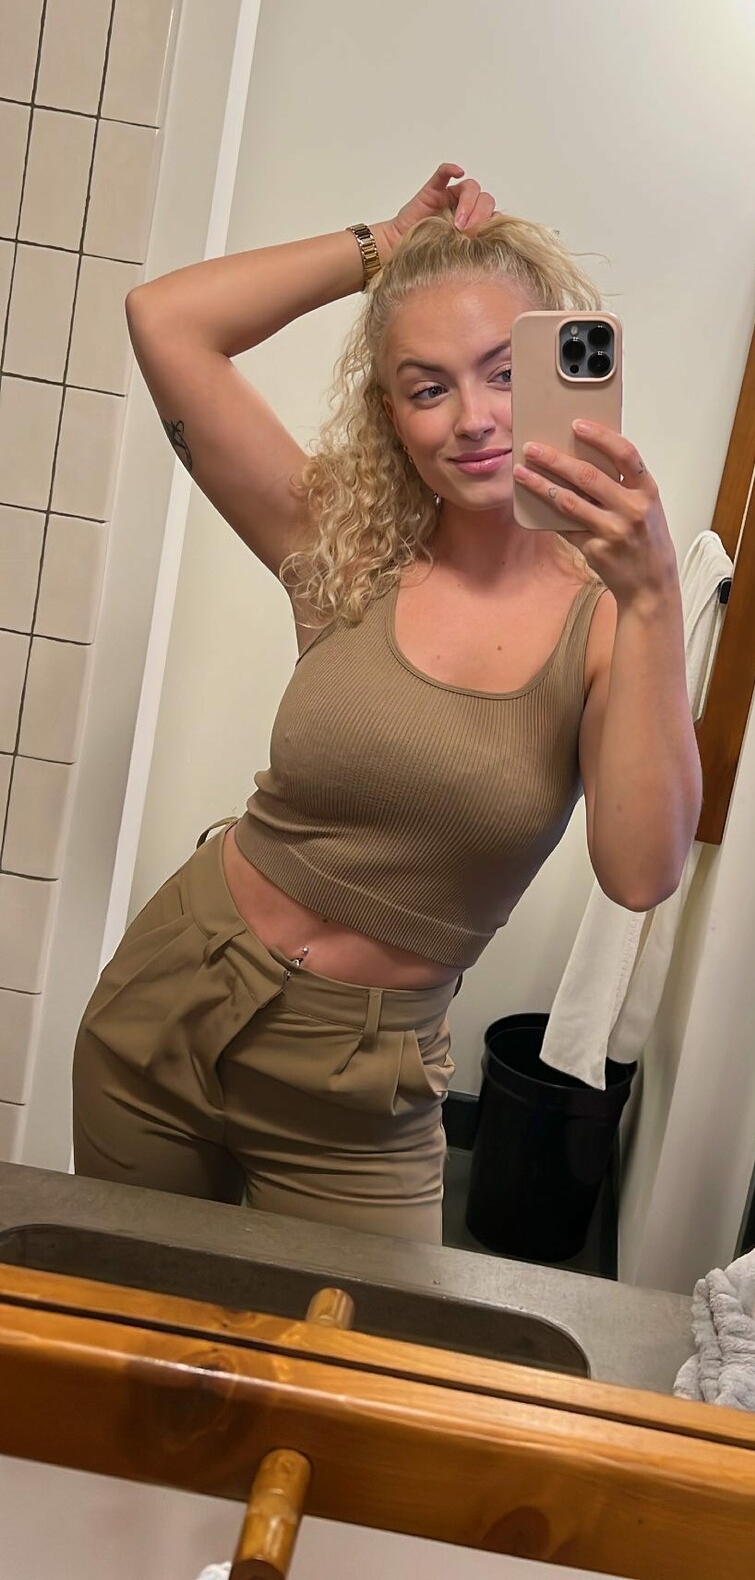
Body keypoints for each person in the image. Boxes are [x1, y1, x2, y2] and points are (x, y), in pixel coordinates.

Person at [72, 163, 702, 1245]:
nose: (474, 419)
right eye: (428, 387)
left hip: (364, 1091)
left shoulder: (607, 620)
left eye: (504, 373)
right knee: (121, 1324)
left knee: (346, 1353)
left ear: (559, 372)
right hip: (170, 997)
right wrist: (384, 244)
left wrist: (654, 596)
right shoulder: (346, 548)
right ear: (392, 415)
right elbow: (165, 320)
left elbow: (642, 872)